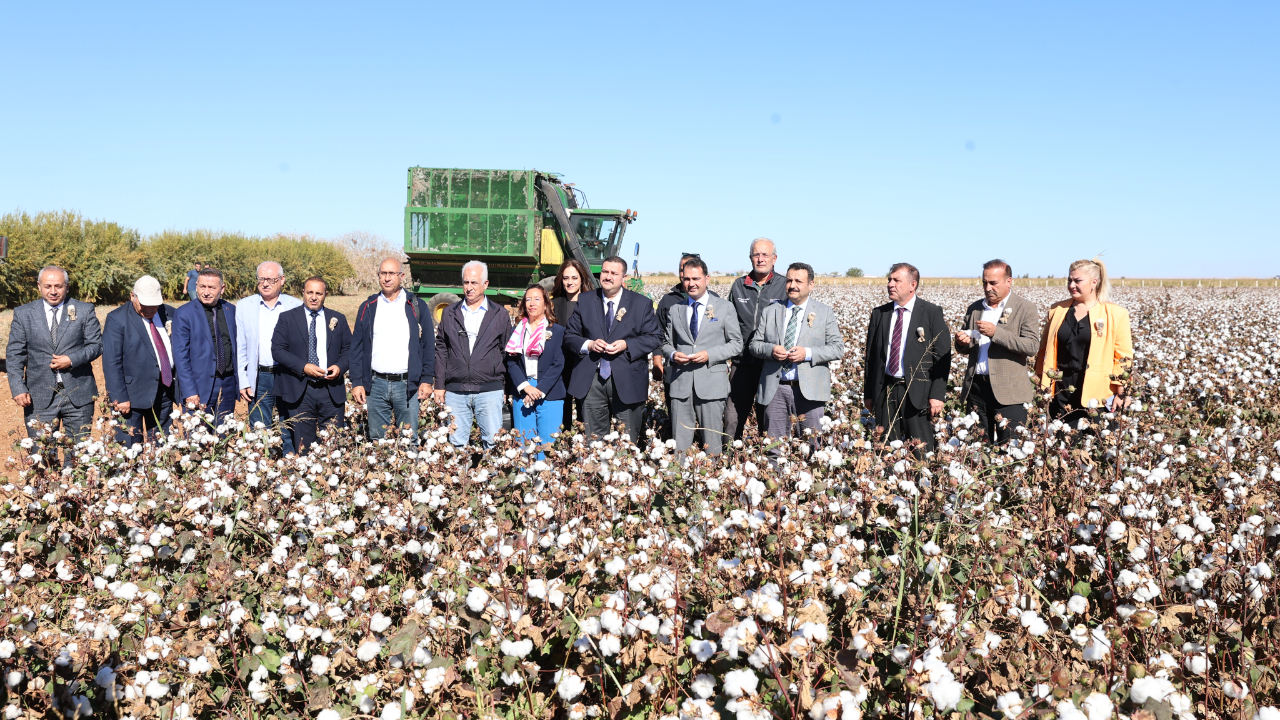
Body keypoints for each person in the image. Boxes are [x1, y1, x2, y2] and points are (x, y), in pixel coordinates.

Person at [5, 266, 102, 466]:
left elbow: (97, 345)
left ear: (66, 287)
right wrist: (17, 387)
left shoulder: (84, 310)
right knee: (42, 455)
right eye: (48, 286)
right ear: (39, 286)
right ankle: (46, 495)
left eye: (58, 286)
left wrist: (72, 359)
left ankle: (75, 496)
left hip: (78, 393)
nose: (53, 291)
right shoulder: (24, 314)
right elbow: (15, 354)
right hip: (39, 396)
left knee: (78, 454)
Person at [564, 255, 662, 443]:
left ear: (623, 278)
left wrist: (627, 344)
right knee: (594, 440)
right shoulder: (585, 300)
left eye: (614, 273)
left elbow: (655, 337)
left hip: (627, 380)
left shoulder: (641, 304)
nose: (608, 277)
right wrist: (589, 345)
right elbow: (570, 336)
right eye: (605, 272)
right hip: (592, 379)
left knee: (626, 440)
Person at [750, 262, 844, 450]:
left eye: (798, 281)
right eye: (789, 280)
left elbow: (837, 348)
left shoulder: (824, 313)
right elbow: (754, 345)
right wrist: (771, 350)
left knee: (813, 447)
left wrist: (807, 353)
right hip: (776, 389)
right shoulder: (771, 311)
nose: (792, 285)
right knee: (774, 448)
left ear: (811, 284)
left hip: (810, 392)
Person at [862, 263, 951, 453]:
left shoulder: (931, 312)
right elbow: (870, 358)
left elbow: (943, 356)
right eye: (889, 279)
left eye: (896, 280)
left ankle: (921, 480)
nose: (890, 284)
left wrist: (937, 395)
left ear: (912, 285)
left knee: (920, 450)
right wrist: (869, 394)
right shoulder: (879, 313)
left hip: (918, 393)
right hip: (885, 390)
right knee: (886, 449)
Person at [1034, 258, 1133, 425]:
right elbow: (1044, 349)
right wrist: (1041, 384)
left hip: (1098, 394)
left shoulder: (1116, 314)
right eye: (1069, 280)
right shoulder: (1057, 310)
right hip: (1059, 390)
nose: (1071, 285)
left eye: (1077, 281)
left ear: (1094, 282)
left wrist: (1121, 393)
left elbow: (1123, 358)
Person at [954, 259, 1040, 444]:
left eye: (993, 283)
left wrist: (996, 333)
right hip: (976, 389)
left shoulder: (1025, 308)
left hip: (1009, 392)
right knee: (976, 449)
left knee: (1009, 449)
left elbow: (1031, 346)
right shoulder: (975, 308)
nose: (987, 287)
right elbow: (967, 347)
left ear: (1009, 281)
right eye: (985, 282)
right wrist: (961, 342)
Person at [661, 258, 742, 455]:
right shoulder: (675, 309)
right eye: (687, 278)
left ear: (707, 278)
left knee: (712, 442)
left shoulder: (724, 308)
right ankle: (678, 480)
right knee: (680, 443)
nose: (691, 283)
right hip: (681, 384)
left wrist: (709, 355)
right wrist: (672, 354)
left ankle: (712, 481)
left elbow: (737, 344)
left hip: (711, 385)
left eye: (696, 278)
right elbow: (665, 343)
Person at [349, 258, 435, 441]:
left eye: (392, 273)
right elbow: (356, 347)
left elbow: (428, 345)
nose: (387, 278)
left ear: (401, 276)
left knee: (408, 440)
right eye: (383, 273)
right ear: (378, 276)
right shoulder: (368, 307)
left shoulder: (416, 306)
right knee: (378, 440)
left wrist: (427, 379)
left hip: (407, 385)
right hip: (376, 385)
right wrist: (356, 381)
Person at [433, 261, 512, 449]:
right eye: (466, 282)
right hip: (456, 391)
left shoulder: (499, 314)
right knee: (455, 444)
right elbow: (442, 349)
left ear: (485, 284)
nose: (469, 288)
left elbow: (507, 351)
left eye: (474, 283)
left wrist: (507, 386)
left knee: (493, 443)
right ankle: (459, 479)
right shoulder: (450, 313)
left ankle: (492, 478)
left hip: (489, 391)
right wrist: (439, 384)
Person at [271, 277, 351, 455]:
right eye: (310, 292)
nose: (313, 297)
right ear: (303, 293)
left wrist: (339, 367)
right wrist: (303, 366)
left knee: (332, 444)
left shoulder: (338, 318)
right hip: (301, 389)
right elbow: (277, 350)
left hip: (330, 389)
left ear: (325, 295)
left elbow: (349, 350)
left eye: (318, 293)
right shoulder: (287, 318)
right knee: (303, 445)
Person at [102, 276, 178, 447]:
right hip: (131, 397)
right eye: (145, 304)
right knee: (130, 449)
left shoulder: (169, 313)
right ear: (132, 296)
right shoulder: (117, 319)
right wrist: (119, 397)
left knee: (161, 448)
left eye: (154, 304)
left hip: (164, 393)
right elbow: (111, 362)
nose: (150, 309)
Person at [236, 261, 303, 454]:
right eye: (261, 279)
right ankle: (261, 468)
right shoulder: (244, 306)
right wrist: (244, 379)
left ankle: (291, 466)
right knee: (258, 426)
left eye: (271, 279)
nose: (265, 284)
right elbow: (241, 346)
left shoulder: (295, 305)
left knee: (288, 423)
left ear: (282, 280)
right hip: (259, 375)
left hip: (287, 374)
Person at [726, 237, 788, 440]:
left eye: (765, 255)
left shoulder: (784, 286)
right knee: (732, 417)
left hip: (770, 364)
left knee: (768, 416)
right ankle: (728, 458)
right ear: (750, 257)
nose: (760, 259)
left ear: (774, 258)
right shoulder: (738, 286)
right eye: (756, 254)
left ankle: (765, 462)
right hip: (741, 362)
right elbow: (728, 321)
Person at [654, 253, 718, 440]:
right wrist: (662, 359)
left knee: (710, 429)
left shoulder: (716, 302)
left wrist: (711, 355)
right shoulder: (669, 301)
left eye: (693, 275)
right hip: (677, 372)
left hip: (707, 375)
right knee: (678, 421)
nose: (688, 278)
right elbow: (660, 335)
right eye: (684, 271)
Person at [172, 267, 239, 426]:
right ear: (196, 286)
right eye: (202, 287)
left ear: (222, 289)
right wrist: (190, 391)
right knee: (198, 439)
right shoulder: (184, 313)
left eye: (212, 287)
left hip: (228, 384)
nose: (206, 292)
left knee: (223, 436)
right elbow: (181, 356)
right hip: (199, 386)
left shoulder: (231, 310)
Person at [505, 284, 566, 459]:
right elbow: (511, 361)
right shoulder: (516, 331)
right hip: (523, 390)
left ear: (546, 304)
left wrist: (538, 389)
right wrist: (526, 387)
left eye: (537, 299)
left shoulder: (558, 331)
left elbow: (558, 363)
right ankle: (526, 483)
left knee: (548, 445)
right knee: (525, 443)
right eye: (528, 299)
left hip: (549, 391)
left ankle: (546, 483)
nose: (532, 303)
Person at [550, 258, 593, 432]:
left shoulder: (592, 303)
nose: (570, 282)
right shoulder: (553, 304)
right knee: (562, 411)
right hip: (560, 366)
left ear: (582, 279)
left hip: (584, 365)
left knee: (585, 412)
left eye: (574, 278)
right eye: (566, 278)